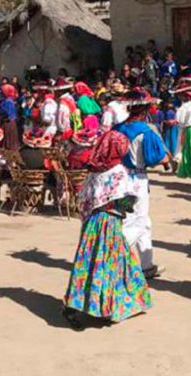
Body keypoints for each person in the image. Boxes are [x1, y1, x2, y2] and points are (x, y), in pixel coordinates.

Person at [62, 130, 152, 330]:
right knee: (109, 264)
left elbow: (85, 198)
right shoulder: (119, 171)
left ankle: (77, 305)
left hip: (93, 223)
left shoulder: (95, 170)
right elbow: (126, 200)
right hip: (110, 223)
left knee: (88, 263)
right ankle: (105, 306)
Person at [113, 91, 169, 279]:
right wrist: (165, 159)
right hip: (137, 180)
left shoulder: (117, 128)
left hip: (119, 178)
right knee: (138, 221)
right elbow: (155, 158)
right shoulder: (145, 132)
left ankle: (146, 264)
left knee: (136, 220)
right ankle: (116, 255)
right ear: (145, 110)